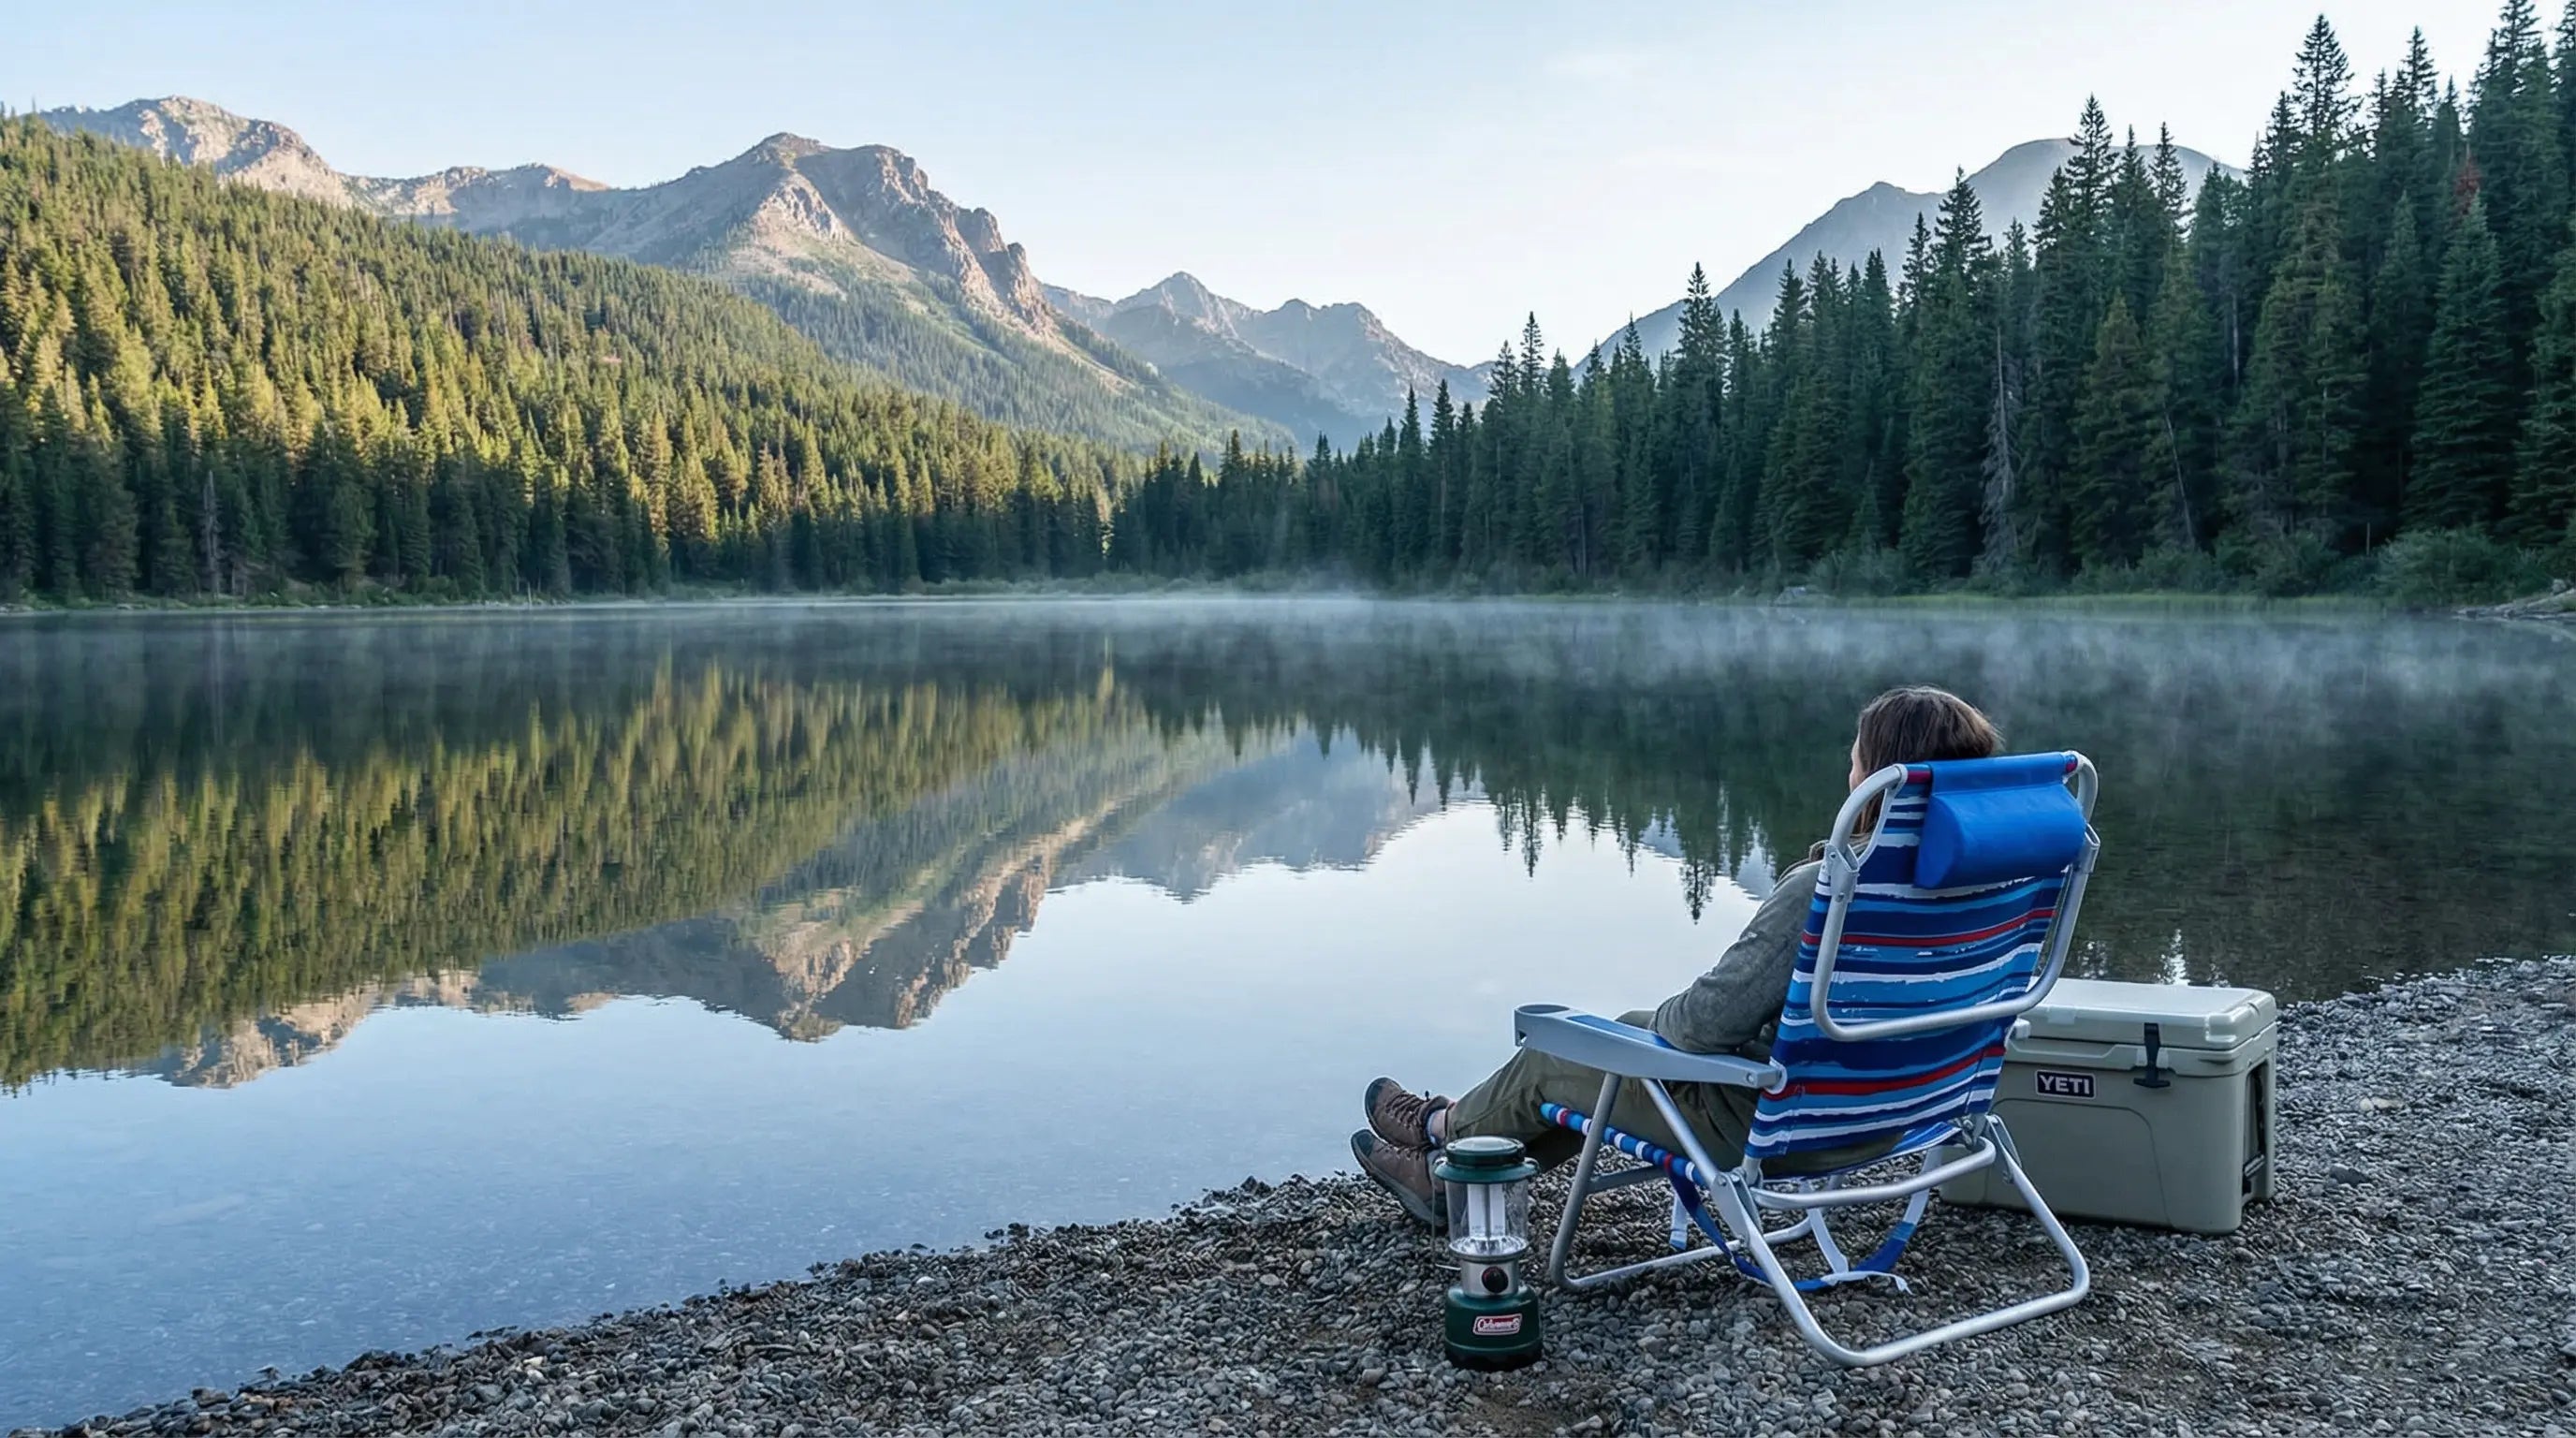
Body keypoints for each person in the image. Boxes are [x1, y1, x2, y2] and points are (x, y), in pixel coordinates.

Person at [1352, 685, 2006, 1226]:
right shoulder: (1998, 889)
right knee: (1619, 1035)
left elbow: (1698, 1028)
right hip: (1898, 1118)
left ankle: (1441, 1137)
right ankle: (1454, 1163)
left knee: (1564, 1047)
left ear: (1886, 783)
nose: (1848, 774)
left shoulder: (1831, 892)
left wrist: (1642, 1037)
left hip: (1771, 1129)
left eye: (1858, 762)